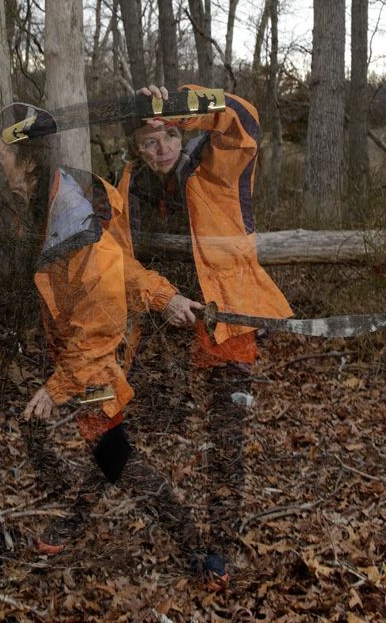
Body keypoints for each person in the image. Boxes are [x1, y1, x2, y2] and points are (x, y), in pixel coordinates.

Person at [0, 78, 208, 576]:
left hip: (67, 348)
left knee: (111, 450)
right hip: (1, 347)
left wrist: (58, 387)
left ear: (28, 161)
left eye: (2, 150)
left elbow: (99, 321)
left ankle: (194, 545)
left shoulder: (76, 221)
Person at [113, 83, 293, 588]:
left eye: (169, 135)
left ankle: (220, 548)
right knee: (123, 429)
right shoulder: (129, 184)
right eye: (149, 142)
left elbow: (246, 119)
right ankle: (175, 528)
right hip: (162, 324)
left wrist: (183, 102)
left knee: (225, 439)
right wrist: (159, 296)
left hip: (227, 320)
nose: (162, 149)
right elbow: (118, 260)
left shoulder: (216, 163)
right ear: (135, 148)